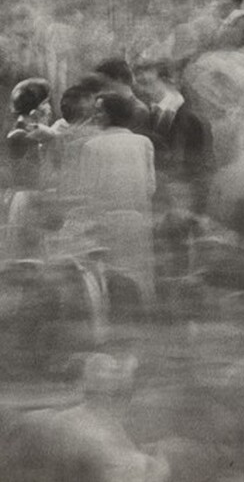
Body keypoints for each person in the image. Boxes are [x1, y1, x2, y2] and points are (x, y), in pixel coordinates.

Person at [76, 91, 157, 302]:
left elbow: (87, 190)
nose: (95, 116)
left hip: (105, 224)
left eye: (99, 111)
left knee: (110, 281)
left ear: (113, 113)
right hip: (139, 223)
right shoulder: (144, 143)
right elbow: (150, 187)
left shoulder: (91, 147)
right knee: (139, 279)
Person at [134, 55, 214, 212]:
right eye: (140, 83)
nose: (143, 90)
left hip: (185, 199)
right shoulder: (150, 113)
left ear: (168, 81)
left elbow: (201, 165)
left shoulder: (191, 117)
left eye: (148, 83)